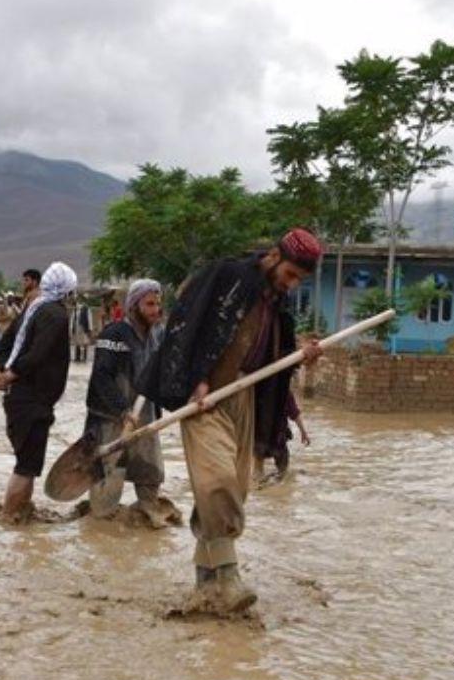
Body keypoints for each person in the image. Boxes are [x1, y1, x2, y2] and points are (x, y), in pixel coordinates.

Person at [139, 228, 324, 614]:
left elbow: (276, 365)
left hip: (244, 401)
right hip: (205, 397)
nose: (292, 285)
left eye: (299, 281)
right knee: (217, 481)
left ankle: (205, 586)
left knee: (234, 490)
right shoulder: (228, 277)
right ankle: (229, 575)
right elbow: (186, 323)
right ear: (274, 257)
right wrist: (196, 378)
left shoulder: (278, 308)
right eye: (290, 275)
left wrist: (302, 355)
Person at [84, 279, 178, 526]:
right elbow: (101, 377)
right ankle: (101, 524)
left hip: (143, 416)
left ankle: (147, 517)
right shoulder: (114, 334)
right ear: (134, 306)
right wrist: (122, 410)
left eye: (158, 304)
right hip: (110, 417)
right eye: (149, 304)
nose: (156, 309)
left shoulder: (157, 334)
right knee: (107, 480)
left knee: (150, 474)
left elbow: (162, 374)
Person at [0, 262, 77, 519]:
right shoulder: (56, 315)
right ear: (67, 292)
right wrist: (12, 374)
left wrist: (5, 370)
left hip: (18, 398)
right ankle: (10, 518)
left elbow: (5, 343)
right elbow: (39, 353)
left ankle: (21, 516)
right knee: (26, 466)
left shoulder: (33, 308)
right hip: (32, 400)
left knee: (27, 463)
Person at [254, 383, 310, 483]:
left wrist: (303, 432)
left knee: (259, 472)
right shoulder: (285, 393)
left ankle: (261, 487)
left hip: (264, 437)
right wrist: (303, 432)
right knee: (283, 473)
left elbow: (294, 413)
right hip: (276, 437)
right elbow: (294, 413)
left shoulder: (257, 392)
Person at [70, 296, 93, 363]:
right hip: (76, 328)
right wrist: (71, 328)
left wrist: (90, 329)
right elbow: (72, 319)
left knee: (85, 342)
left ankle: (84, 357)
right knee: (77, 342)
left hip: (83, 328)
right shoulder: (75, 310)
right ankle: (77, 357)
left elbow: (89, 319)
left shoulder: (86, 309)